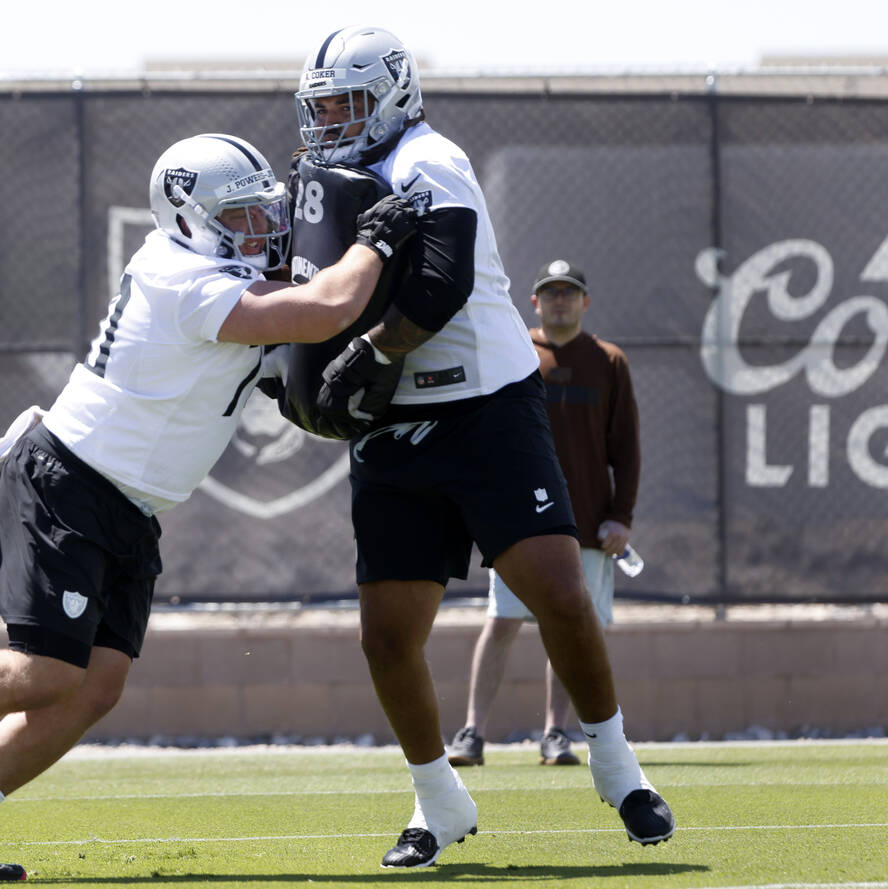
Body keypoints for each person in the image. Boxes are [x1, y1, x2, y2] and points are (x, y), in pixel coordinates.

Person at [0, 132, 419, 882]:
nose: (263, 230)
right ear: (189, 220)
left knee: (95, 686)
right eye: (242, 217)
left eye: (264, 212)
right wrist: (375, 242)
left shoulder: (208, 268)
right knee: (46, 672)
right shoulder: (185, 278)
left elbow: (294, 318)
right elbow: (322, 309)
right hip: (72, 482)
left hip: (126, 503)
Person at [288, 26, 675, 868]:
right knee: (387, 634)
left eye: (346, 104)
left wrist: (368, 352)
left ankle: (617, 767)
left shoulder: (432, 159)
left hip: (486, 409)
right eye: (322, 106)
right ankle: (439, 801)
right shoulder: (332, 179)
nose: (331, 121)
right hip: (393, 426)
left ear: (392, 93)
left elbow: (442, 278)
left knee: (559, 593)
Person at [446, 260, 641, 770]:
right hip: (519, 521)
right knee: (502, 620)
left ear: (584, 301)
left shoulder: (609, 361)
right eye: (550, 293)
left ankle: (556, 734)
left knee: (571, 623)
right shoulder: (515, 352)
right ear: (534, 302)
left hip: (589, 528)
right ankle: (472, 734)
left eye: (569, 293)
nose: (560, 301)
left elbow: (627, 449)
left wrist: (621, 516)